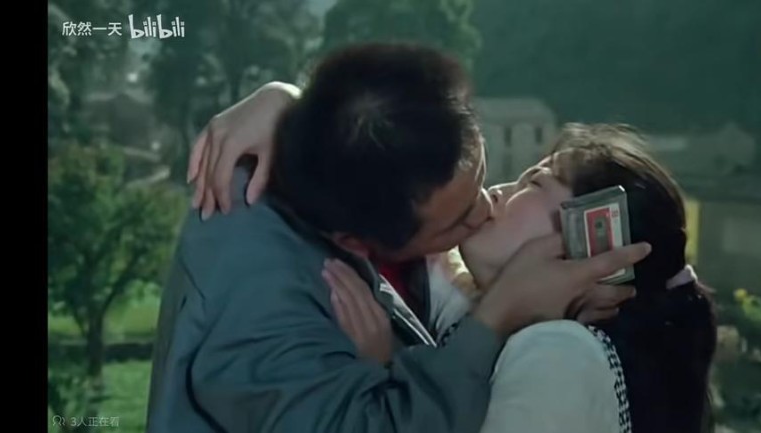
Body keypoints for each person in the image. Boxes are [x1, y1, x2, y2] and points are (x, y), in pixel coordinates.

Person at [147, 43, 649, 433]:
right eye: (456, 222)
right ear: (356, 242)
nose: (486, 208)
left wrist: (286, 100)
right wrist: (496, 318)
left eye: (481, 178)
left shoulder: (342, 156)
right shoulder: (260, 303)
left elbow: (366, 116)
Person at [198, 118, 717, 433]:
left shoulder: (559, 354)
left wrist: (384, 379)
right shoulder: (478, 319)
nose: (501, 189)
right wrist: (284, 104)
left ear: (592, 247)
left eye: (535, 183)